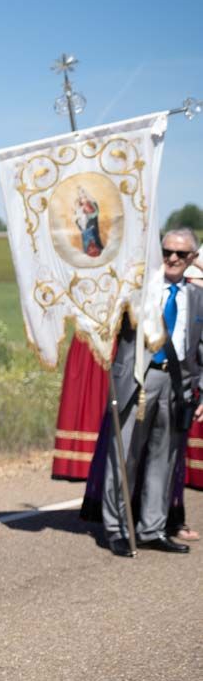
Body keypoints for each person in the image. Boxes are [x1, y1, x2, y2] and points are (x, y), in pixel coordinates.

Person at [97, 228, 203, 555]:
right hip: (138, 380)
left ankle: (152, 527)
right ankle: (116, 527)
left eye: (180, 254)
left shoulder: (198, 297)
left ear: (192, 258)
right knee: (123, 455)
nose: (172, 258)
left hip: (177, 385)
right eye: (167, 251)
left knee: (164, 458)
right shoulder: (138, 290)